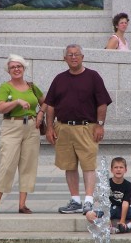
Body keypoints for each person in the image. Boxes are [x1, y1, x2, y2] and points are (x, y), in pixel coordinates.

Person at [44, 44, 112, 215]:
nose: (73, 57)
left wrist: (100, 124)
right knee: (69, 165)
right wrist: (49, 127)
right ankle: (75, 200)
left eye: (76, 54)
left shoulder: (93, 77)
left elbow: (102, 103)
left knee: (88, 164)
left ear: (82, 57)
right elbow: (50, 105)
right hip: (64, 128)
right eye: (70, 55)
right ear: (64, 58)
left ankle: (88, 201)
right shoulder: (59, 79)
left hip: (86, 128)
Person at [0, 54, 45, 214]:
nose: (16, 69)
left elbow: (45, 101)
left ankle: (22, 204)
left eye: (19, 66)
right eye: (13, 67)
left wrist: (40, 114)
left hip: (31, 126)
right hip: (12, 126)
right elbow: (0, 108)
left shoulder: (32, 86)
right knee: (7, 163)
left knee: (28, 165)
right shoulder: (6, 87)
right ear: (8, 70)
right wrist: (16, 102)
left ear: (24, 68)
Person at [85, 157, 131, 233]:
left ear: (125, 170)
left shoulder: (128, 185)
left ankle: (127, 227)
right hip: (109, 209)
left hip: (122, 209)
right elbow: (103, 203)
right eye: (116, 167)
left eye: (121, 167)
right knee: (89, 215)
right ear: (112, 170)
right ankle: (107, 227)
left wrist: (122, 221)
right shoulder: (106, 183)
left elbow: (125, 203)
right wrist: (107, 219)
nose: (118, 169)